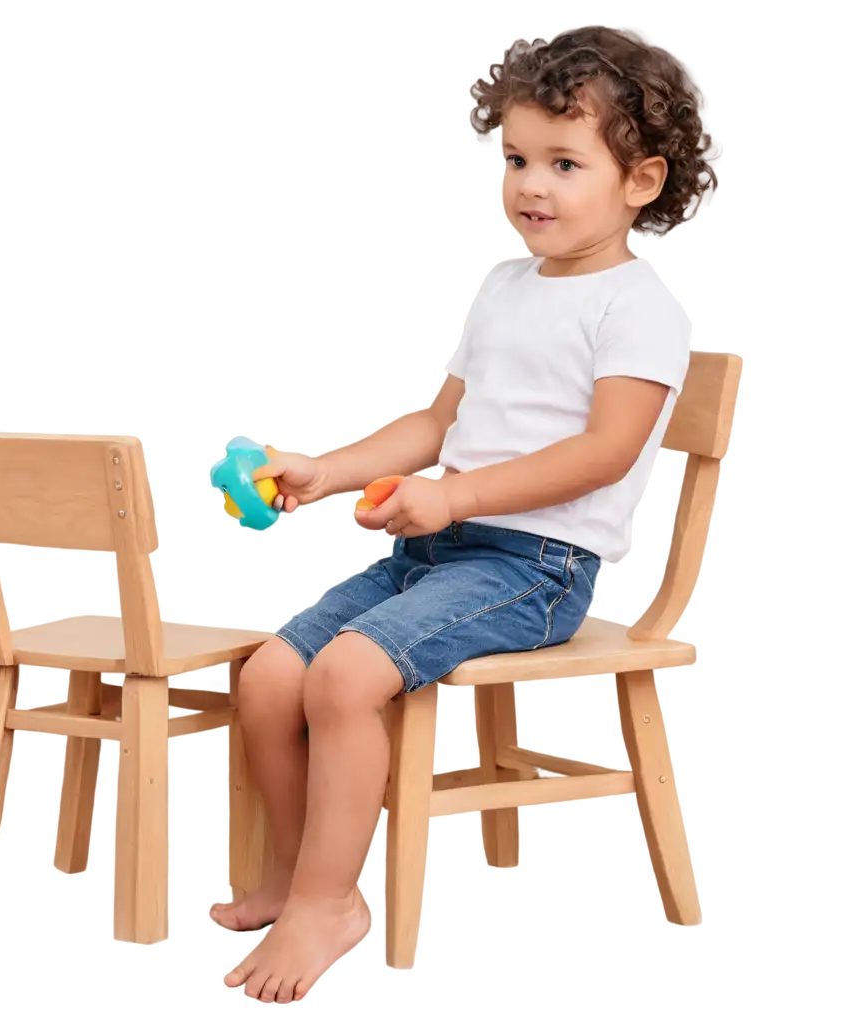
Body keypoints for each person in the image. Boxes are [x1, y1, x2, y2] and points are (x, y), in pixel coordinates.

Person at [213, 25, 712, 1004]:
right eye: (518, 158)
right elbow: (436, 417)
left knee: (346, 677)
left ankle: (326, 903)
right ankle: (288, 871)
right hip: (437, 549)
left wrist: (460, 491)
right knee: (271, 675)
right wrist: (328, 468)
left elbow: (605, 449)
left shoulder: (641, 305)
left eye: (564, 163)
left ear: (640, 182)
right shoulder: (501, 288)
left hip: (535, 566)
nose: (531, 182)